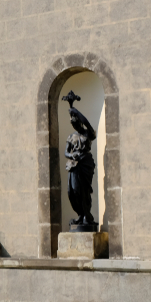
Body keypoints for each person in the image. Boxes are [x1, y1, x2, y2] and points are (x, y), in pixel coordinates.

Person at [62, 91, 97, 230]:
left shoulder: (88, 134)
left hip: (85, 163)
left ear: (79, 123)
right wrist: (71, 156)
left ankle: (86, 216)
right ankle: (80, 214)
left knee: (84, 190)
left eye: (76, 124)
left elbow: (88, 124)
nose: (75, 127)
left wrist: (76, 111)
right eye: (73, 125)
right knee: (73, 191)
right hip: (73, 164)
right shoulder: (71, 137)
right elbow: (66, 151)